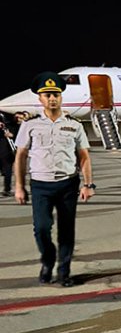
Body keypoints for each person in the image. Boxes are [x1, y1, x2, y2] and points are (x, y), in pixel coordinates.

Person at [14, 72, 95, 287]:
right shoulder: (29, 125)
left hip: (68, 183)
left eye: (56, 95)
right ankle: (48, 260)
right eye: (47, 95)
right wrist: (19, 186)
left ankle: (64, 272)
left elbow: (84, 156)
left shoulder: (74, 125)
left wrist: (88, 184)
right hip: (41, 185)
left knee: (66, 230)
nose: (52, 99)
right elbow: (20, 156)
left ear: (61, 97)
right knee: (41, 228)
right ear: (40, 98)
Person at [0, 117, 15, 196]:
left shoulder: (8, 118)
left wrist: (12, 134)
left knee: (7, 170)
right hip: (4, 147)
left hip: (6, 150)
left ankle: (7, 189)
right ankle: (7, 189)